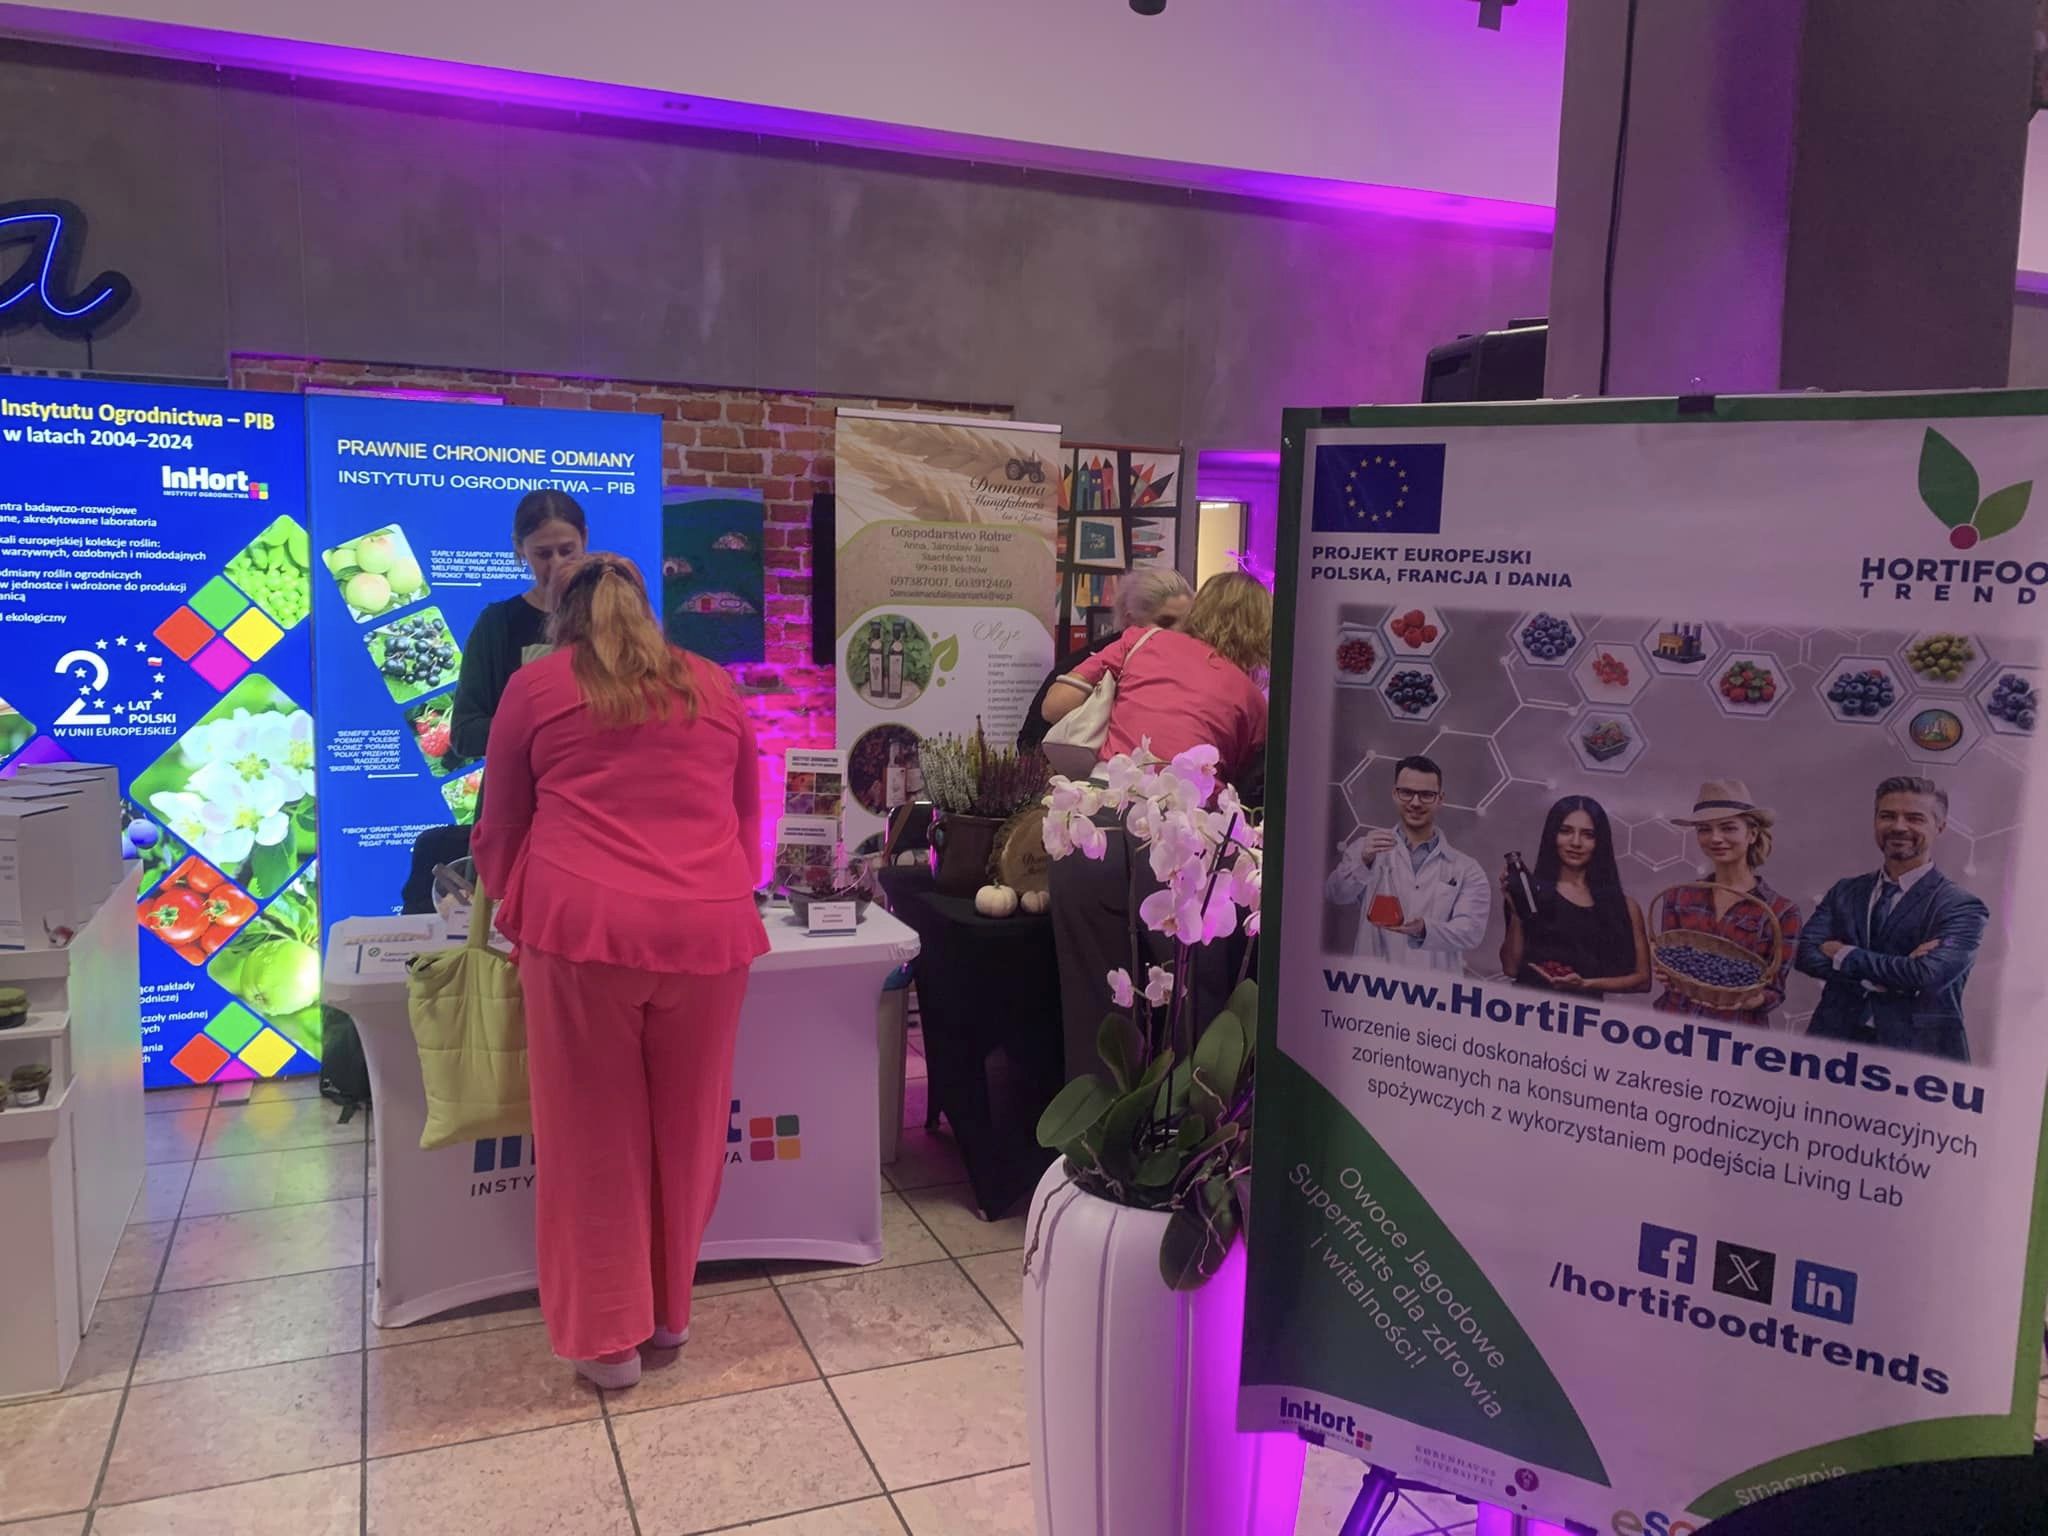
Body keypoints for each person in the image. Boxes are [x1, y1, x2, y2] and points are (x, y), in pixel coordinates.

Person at [471, 553, 768, 1390]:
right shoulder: (713, 684)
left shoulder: (535, 687)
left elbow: (500, 826)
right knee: (691, 1130)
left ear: (557, 615)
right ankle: (670, 1314)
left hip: (582, 931)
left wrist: (517, 902)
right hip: (709, 933)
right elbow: (748, 815)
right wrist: (714, 886)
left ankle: (609, 1343)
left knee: (589, 1137)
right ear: (648, 607)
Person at [1041, 571, 1270, 1083]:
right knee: (1195, 1003)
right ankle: (1188, 1119)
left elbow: (1053, 706)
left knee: (1093, 997)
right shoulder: (1253, 702)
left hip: (1095, 818)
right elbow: (1242, 783)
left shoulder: (1141, 640)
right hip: (1181, 838)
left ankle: (1098, 1122)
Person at [1796, 776, 1988, 1061]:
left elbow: (1926, 975)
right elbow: (1805, 954)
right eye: (1887, 816)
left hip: (1917, 1057)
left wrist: (1844, 954)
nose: (1899, 826)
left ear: (1940, 827)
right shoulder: (1845, 891)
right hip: (1832, 1044)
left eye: (1914, 818)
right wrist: (1895, 974)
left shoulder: (1962, 907)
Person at [451, 490, 590, 758]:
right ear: (519, 547)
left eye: (566, 550)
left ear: (584, 538)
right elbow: (465, 734)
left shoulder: (612, 616)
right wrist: (545, 730)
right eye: (543, 554)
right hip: (520, 784)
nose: (557, 565)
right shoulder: (497, 624)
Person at [1653, 780, 1802, 1027]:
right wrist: (1665, 972)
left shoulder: (1782, 912)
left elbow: (1775, 990)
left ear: (1752, 834)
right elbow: (1671, 959)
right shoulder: (1679, 896)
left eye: (1728, 828)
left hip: (1735, 1032)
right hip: (1672, 1026)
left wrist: (1754, 1000)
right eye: (1704, 829)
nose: (1715, 838)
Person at [1326, 756, 1490, 973]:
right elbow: (1335, 894)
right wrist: (1363, 861)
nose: (1415, 802)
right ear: (1395, 794)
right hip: (1372, 982)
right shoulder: (1366, 849)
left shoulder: (1466, 868)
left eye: (1426, 795)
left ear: (1440, 799)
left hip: (1432, 988)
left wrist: (1424, 930)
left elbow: (1471, 932)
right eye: (1406, 792)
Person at [1018, 568, 1192, 750]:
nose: (1179, 633)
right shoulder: (1089, 662)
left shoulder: (1190, 664)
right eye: (1165, 623)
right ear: (1131, 620)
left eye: (1188, 623)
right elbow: (1034, 737)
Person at [1497, 794, 1649, 997]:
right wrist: (1517, 912)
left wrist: (1585, 985)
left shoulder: (1626, 907)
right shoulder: (1528, 892)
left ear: (1600, 842)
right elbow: (1511, 968)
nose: (1575, 842)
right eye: (1565, 831)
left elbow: (1643, 980)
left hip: (1583, 1014)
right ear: (1552, 835)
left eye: (1588, 835)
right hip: (1527, 1009)